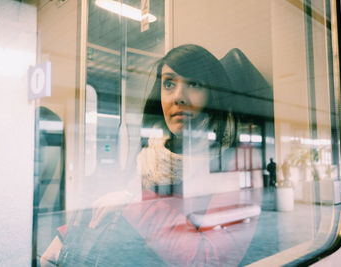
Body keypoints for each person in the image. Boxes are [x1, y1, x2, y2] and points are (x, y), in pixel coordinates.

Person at [41, 44, 256, 267]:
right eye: (169, 84)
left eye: (194, 84)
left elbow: (209, 259)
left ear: (213, 95)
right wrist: (70, 235)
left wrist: (131, 203)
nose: (178, 97)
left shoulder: (237, 160)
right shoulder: (155, 153)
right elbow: (126, 204)